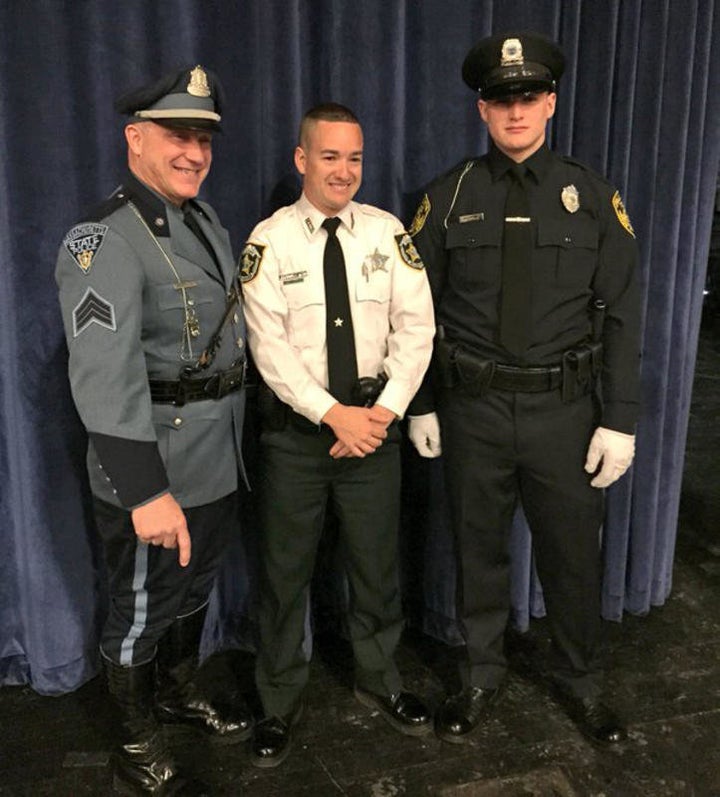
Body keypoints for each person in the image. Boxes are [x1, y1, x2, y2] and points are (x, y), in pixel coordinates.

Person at [407, 32, 641, 745]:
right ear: (482, 108)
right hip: (473, 406)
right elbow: (415, 309)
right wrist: (419, 402)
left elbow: (625, 309)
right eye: (501, 98)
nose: (516, 111)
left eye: (528, 96)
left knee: (572, 554)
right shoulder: (447, 197)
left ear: (551, 102)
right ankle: (481, 673)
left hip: (564, 410)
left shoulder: (594, 196)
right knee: (476, 550)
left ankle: (582, 678)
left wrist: (620, 418)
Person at [55, 65, 250, 795]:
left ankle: (174, 692)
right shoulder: (101, 241)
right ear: (134, 138)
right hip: (154, 469)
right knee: (139, 606)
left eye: (203, 137)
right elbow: (102, 379)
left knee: (194, 587)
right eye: (178, 134)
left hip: (215, 452)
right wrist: (145, 492)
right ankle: (136, 736)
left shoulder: (203, 219)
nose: (195, 151)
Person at [240, 103, 436, 768]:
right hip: (297, 438)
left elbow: (417, 330)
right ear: (302, 160)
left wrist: (380, 414)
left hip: (373, 430)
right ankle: (276, 701)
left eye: (354, 157)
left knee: (377, 567)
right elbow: (269, 352)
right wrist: (333, 415)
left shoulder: (387, 235)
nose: (343, 170)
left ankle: (381, 678)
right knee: (284, 574)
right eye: (329, 156)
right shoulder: (269, 242)